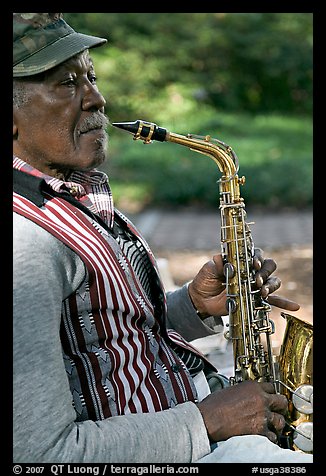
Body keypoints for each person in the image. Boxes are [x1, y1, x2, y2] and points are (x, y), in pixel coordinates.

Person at [13, 13, 312, 464]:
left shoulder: (73, 195)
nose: (97, 98)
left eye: (90, 77)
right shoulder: (26, 246)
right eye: (66, 84)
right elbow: (37, 454)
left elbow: (108, 339)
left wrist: (193, 306)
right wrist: (208, 421)